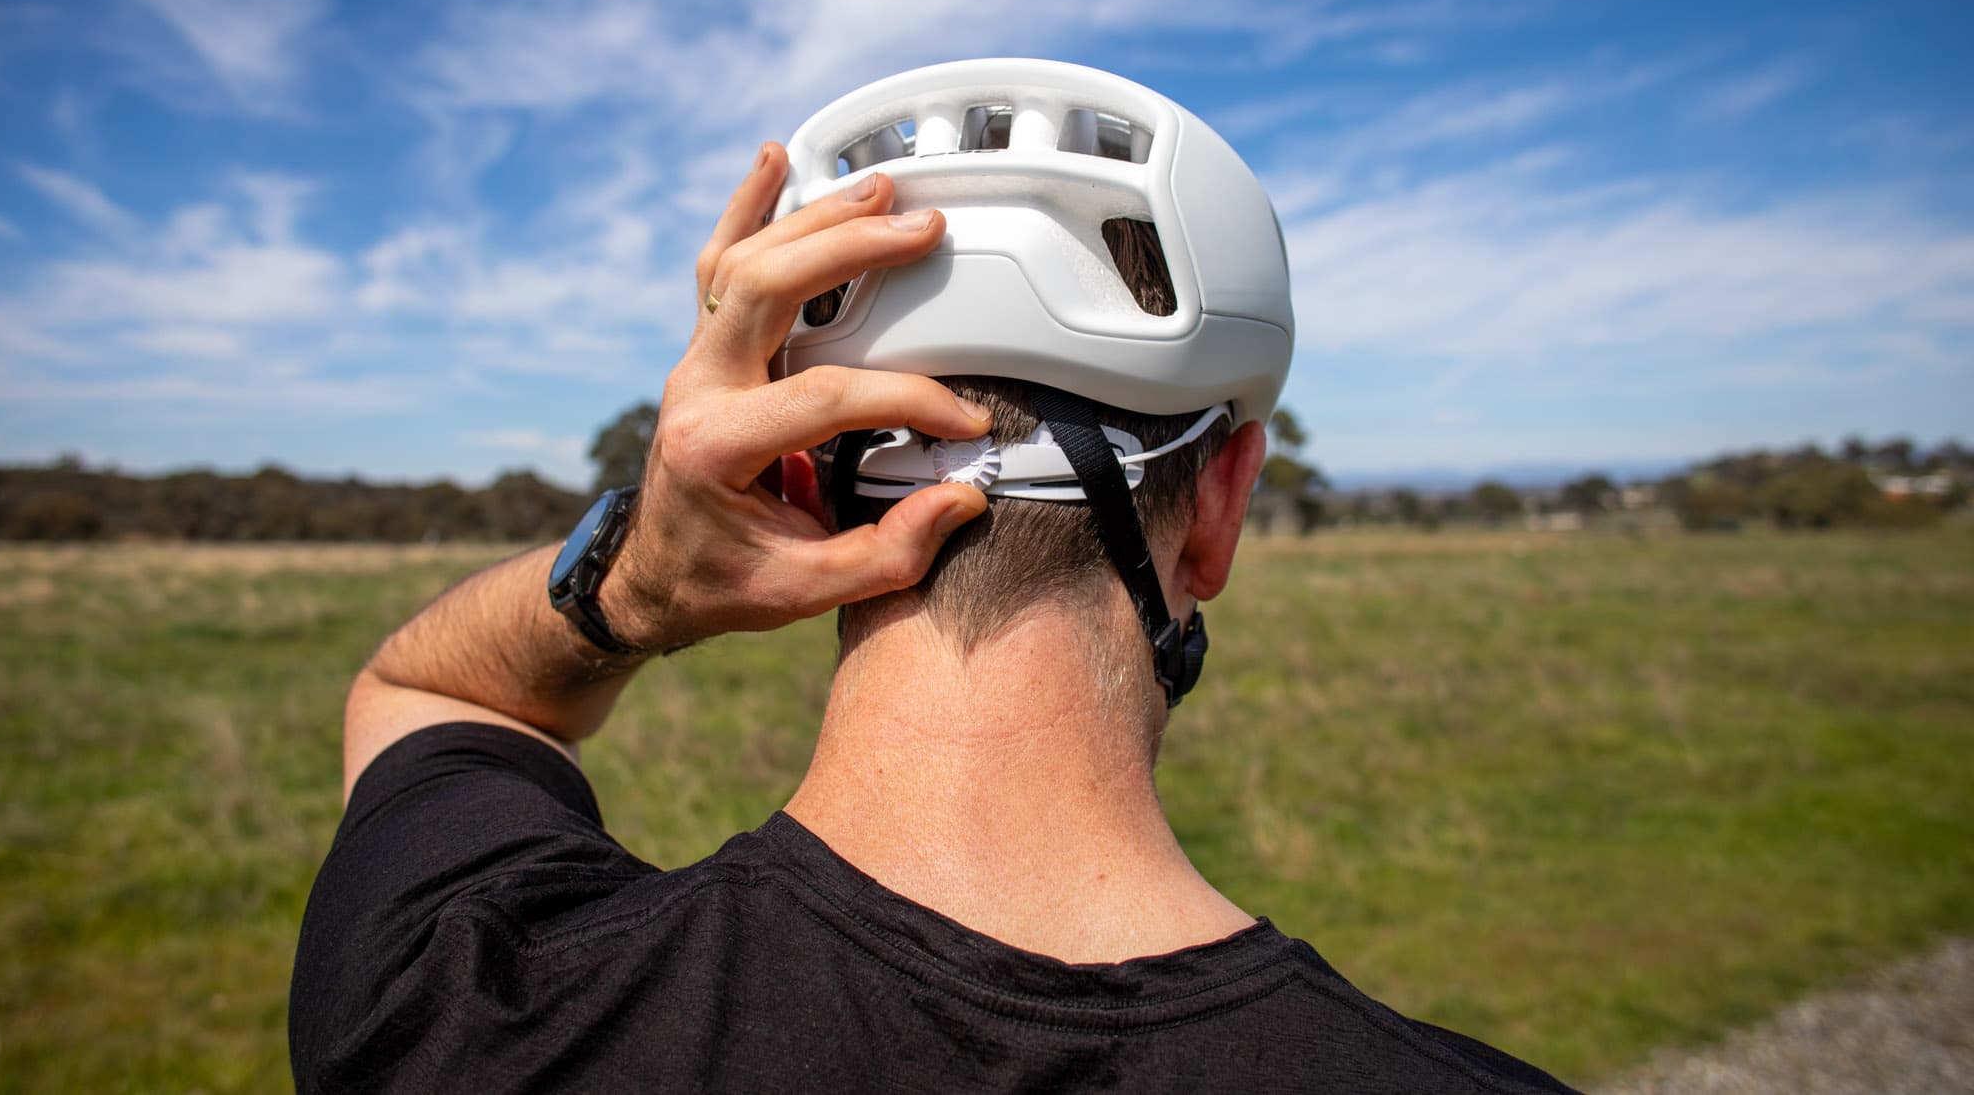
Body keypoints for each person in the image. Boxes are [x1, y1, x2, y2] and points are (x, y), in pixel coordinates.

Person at [290, 60, 1578, 1093]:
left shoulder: (463, 1011)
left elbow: (431, 695)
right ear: (1220, 509)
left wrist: (633, 583)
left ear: (794, 478)